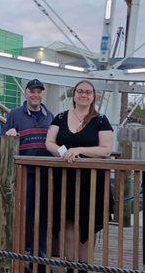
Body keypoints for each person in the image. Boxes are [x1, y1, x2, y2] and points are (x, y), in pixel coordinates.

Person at [46, 80, 113, 265]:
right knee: (67, 221)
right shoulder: (60, 117)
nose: (84, 95)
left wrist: (78, 150)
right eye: (80, 91)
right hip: (65, 178)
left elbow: (106, 150)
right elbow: (49, 142)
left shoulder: (101, 120)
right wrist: (65, 154)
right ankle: (69, 265)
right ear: (74, 94)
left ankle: (84, 266)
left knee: (89, 225)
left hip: (92, 180)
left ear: (93, 97)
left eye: (88, 92)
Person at [4, 79, 54, 266]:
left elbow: (56, 142)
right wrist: (9, 135)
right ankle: (21, 253)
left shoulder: (50, 116)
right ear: (26, 93)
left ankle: (39, 255)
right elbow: (4, 140)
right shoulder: (15, 114)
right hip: (23, 174)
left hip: (46, 174)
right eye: (32, 91)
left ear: (42, 94)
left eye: (39, 92)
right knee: (23, 214)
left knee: (43, 214)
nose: (35, 95)